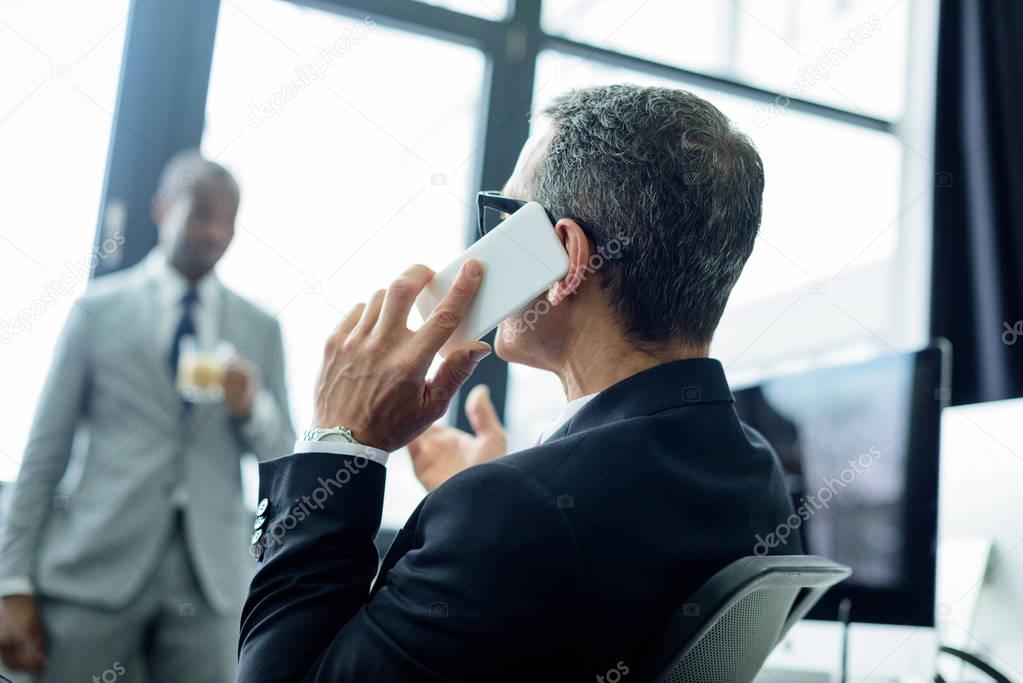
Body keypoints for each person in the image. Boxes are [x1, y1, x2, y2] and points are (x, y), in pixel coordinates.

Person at [237, 84, 801, 681]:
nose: (484, 245)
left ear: (565, 258)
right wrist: (491, 498)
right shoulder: (757, 474)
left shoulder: (509, 515)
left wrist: (339, 442)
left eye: (504, 217)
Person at [0, 151, 295, 682]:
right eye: (202, 212)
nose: (215, 232)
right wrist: (13, 582)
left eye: (229, 218)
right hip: (93, 568)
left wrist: (252, 406)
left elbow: (284, 458)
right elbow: (45, 453)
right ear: (162, 209)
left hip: (211, 585)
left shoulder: (260, 327)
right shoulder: (97, 312)